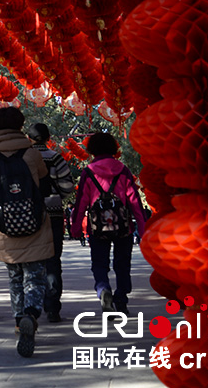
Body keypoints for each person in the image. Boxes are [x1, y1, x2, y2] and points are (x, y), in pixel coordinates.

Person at [0, 107, 54, 358]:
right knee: (35, 275)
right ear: (21, 125)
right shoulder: (32, 154)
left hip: (4, 227)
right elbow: (42, 182)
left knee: (14, 277)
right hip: (34, 222)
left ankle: (20, 323)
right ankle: (32, 313)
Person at [70, 132, 147, 316]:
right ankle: (121, 298)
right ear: (113, 147)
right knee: (123, 264)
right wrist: (143, 229)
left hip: (97, 227)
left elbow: (81, 203)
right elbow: (135, 201)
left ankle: (103, 289)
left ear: (92, 149)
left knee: (99, 263)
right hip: (123, 226)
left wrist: (75, 227)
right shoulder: (123, 170)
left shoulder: (88, 172)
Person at [27, 122, 75, 324]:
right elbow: (68, 185)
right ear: (48, 139)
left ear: (29, 138)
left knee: (31, 261)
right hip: (53, 213)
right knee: (53, 261)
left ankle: (31, 306)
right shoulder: (55, 157)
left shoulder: (24, 157)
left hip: (28, 215)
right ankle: (53, 307)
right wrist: (57, 196)